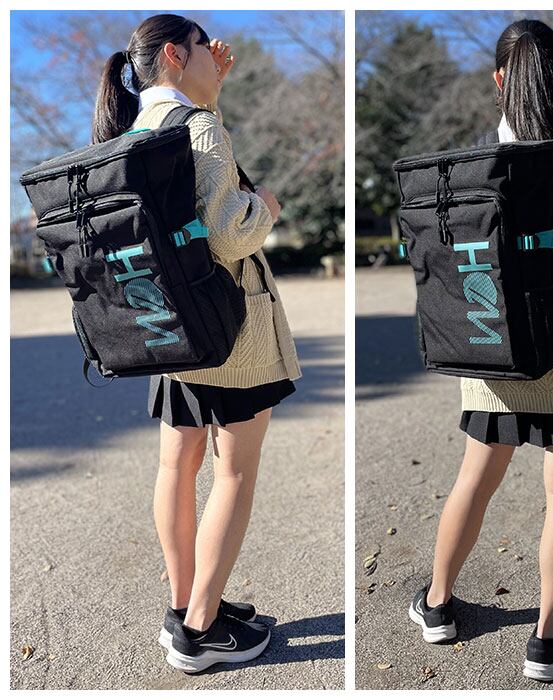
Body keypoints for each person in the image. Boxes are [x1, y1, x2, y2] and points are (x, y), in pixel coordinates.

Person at [408, 18, 553, 683]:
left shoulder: (474, 165)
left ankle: (437, 605)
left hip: (490, 355)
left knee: (473, 480)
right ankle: (547, 640)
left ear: (497, 81)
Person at [91, 14, 302, 673]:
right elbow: (230, 233)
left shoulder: (135, 130)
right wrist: (266, 204)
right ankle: (200, 632)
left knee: (175, 467)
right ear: (176, 55)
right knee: (233, 472)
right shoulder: (199, 127)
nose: (219, 58)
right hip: (229, 327)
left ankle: (184, 604)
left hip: (168, 328)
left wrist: (211, 94)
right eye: (206, 51)